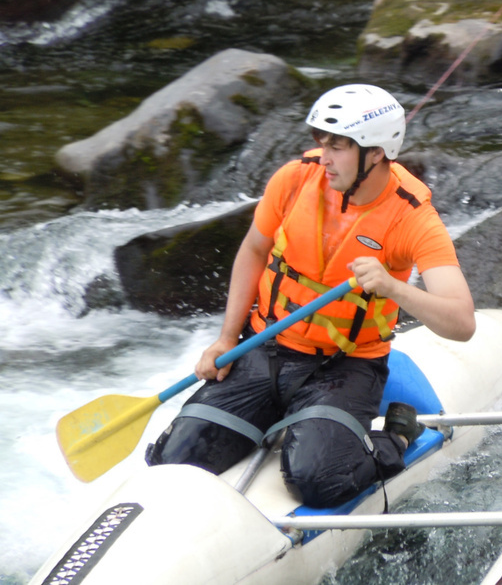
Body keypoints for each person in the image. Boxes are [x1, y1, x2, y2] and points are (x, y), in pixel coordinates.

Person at [146, 84, 476, 508]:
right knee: (175, 458)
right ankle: (275, 416)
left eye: (338, 147)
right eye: (323, 142)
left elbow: (462, 323)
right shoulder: (294, 179)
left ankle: (395, 435)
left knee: (317, 481)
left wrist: (395, 287)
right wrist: (228, 337)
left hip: (344, 366)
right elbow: (253, 250)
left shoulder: (414, 218)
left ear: (375, 152)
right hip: (264, 347)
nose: (324, 157)